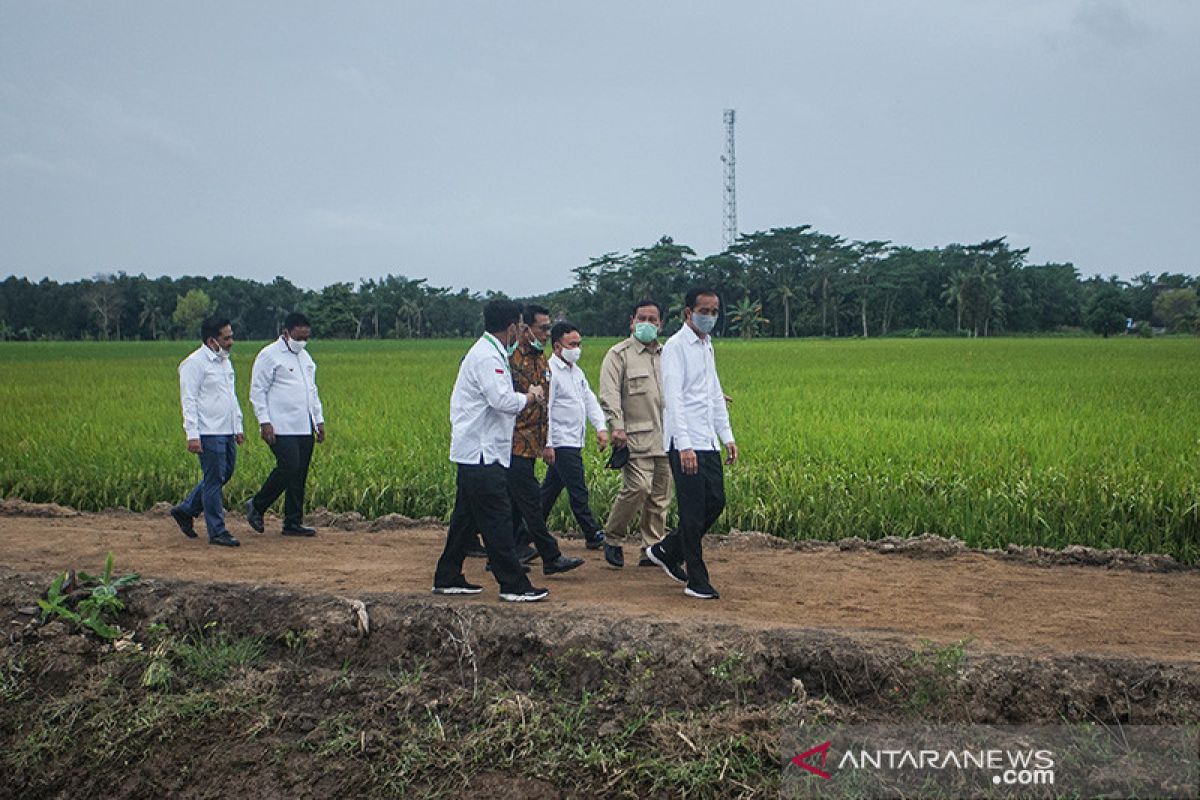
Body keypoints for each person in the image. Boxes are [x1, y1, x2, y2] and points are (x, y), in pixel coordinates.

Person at [433, 299, 550, 602]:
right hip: (482, 453)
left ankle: (447, 576)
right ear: (512, 327)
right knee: (497, 520)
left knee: (465, 519)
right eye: (520, 328)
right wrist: (531, 396)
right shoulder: (488, 357)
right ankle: (513, 583)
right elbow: (501, 400)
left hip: (477, 451)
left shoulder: (487, 353)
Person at [645, 288, 738, 600]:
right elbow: (674, 398)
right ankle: (696, 580)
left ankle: (667, 549)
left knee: (716, 500)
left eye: (714, 311)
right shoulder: (676, 347)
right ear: (688, 312)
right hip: (685, 440)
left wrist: (727, 436)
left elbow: (713, 392)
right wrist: (683, 445)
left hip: (707, 438)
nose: (710, 317)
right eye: (704, 310)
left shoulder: (706, 345)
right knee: (693, 511)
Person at [507, 305, 585, 575]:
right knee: (530, 500)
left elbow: (547, 404)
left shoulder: (540, 359)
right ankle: (550, 556)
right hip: (513, 440)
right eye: (542, 328)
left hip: (533, 441)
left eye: (548, 328)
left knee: (516, 503)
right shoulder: (511, 359)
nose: (546, 333)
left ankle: (504, 553)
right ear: (524, 328)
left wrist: (547, 442)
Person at [598, 299, 671, 569]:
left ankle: (651, 548)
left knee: (660, 496)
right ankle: (613, 537)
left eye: (653, 320)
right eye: (642, 318)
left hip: (667, 436)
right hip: (634, 436)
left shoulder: (669, 355)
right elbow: (609, 394)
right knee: (638, 488)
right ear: (632, 321)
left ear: (661, 324)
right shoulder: (619, 355)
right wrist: (616, 426)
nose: (648, 324)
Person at [245, 312, 326, 537]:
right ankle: (257, 505)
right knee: (289, 466)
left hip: (304, 425)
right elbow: (257, 390)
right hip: (280, 425)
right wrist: (264, 422)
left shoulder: (306, 358)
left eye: (306, 338)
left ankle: (292, 522)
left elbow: (312, 391)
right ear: (286, 333)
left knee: (299, 473)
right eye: (298, 337)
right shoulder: (269, 355)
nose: (302, 342)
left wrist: (318, 420)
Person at [170, 317, 245, 547]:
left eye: (231, 336)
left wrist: (238, 426)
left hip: (226, 429)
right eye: (227, 337)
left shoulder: (224, 362)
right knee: (214, 479)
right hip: (208, 430)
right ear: (212, 340)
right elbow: (189, 400)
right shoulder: (194, 364)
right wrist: (192, 434)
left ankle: (187, 509)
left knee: (225, 473)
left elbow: (230, 397)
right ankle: (217, 531)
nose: (231, 341)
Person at [540, 321, 608, 549]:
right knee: (578, 489)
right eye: (572, 344)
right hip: (561, 442)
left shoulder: (576, 372)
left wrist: (600, 427)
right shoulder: (551, 372)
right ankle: (591, 532)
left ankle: (525, 532)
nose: (577, 349)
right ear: (558, 347)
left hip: (573, 439)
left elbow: (589, 400)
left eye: (579, 344)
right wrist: (547, 443)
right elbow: (545, 409)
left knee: (548, 494)